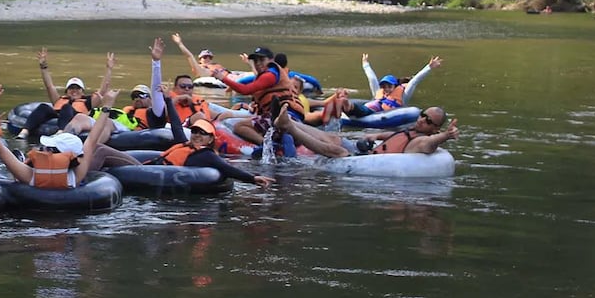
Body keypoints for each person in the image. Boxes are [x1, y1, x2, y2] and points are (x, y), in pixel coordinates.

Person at [0, 87, 120, 189]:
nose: (43, 150)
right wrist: (107, 106)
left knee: (19, 162)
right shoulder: (76, 177)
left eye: (48, 148)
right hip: (70, 220)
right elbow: (92, 139)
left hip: (32, 213)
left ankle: (21, 160)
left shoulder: (29, 176)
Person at [276, 106, 459, 157]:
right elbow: (396, 137)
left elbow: (430, 144)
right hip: (365, 152)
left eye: (428, 121)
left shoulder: (422, 142)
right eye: (422, 115)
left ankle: (289, 127)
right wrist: (377, 135)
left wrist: (446, 136)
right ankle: (290, 121)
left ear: (435, 129)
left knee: (336, 151)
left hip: (363, 159)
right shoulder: (413, 132)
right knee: (332, 137)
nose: (421, 120)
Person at [146, 118, 275, 190]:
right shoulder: (185, 145)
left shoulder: (207, 155)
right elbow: (177, 128)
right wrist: (168, 100)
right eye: (195, 131)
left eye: (202, 133)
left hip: (157, 177)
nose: (197, 135)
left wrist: (252, 178)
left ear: (211, 139)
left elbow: (227, 169)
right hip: (150, 169)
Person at [17, 48, 115, 139]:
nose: (74, 90)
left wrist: (109, 69)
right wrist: (43, 66)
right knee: (43, 107)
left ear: (82, 91)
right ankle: (25, 131)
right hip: (57, 117)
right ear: (66, 91)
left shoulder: (88, 101)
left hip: (74, 120)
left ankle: (61, 132)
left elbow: (103, 89)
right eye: (71, 88)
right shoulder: (59, 100)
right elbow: (49, 85)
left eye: (77, 88)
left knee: (66, 107)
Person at [320, 54, 443, 124]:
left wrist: (429, 67)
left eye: (389, 86)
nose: (386, 89)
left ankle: (345, 105)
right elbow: (372, 79)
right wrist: (365, 64)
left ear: (395, 86)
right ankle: (341, 105)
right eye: (384, 86)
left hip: (374, 112)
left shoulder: (403, 95)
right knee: (364, 108)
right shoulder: (378, 93)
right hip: (369, 108)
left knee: (363, 110)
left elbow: (415, 81)